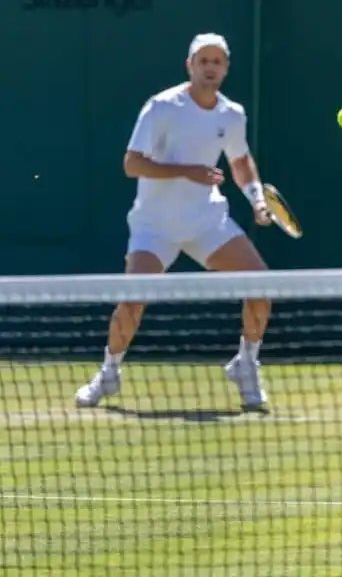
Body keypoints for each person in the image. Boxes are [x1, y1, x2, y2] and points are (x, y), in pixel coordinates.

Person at [75, 33, 273, 413]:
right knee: (133, 301)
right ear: (190, 66)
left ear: (226, 68)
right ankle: (108, 372)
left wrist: (257, 200)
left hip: (207, 223)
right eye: (203, 61)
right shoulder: (162, 107)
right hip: (155, 226)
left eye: (217, 62)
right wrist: (187, 171)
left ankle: (246, 364)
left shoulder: (232, 114)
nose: (210, 67)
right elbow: (132, 163)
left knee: (261, 286)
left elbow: (240, 161)